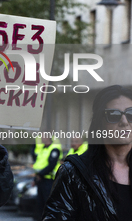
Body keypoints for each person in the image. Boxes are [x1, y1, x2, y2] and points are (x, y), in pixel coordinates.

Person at [43, 85, 132, 220]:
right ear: (99, 122)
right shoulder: (73, 173)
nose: (124, 122)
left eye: (130, 114)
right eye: (113, 115)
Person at [32, 133, 63, 219]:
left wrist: (40, 174)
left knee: (48, 203)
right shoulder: (43, 149)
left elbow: (51, 165)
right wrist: (36, 179)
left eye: (43, 136)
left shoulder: (54, 149)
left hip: (49, 181)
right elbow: (39, 165)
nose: (41, 138)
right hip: (41, 180)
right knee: (40, 203)